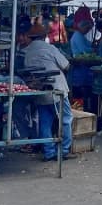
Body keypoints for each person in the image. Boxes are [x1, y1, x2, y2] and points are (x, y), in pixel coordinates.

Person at [20, 23, 75, 161]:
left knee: (45, 122)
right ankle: (64, 150)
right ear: (44, 36)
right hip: (57, 89)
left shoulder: (27, 52)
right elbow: (66, 65)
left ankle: (49, 152)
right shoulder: (50, 48)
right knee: (66, 119)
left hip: (40, 91)